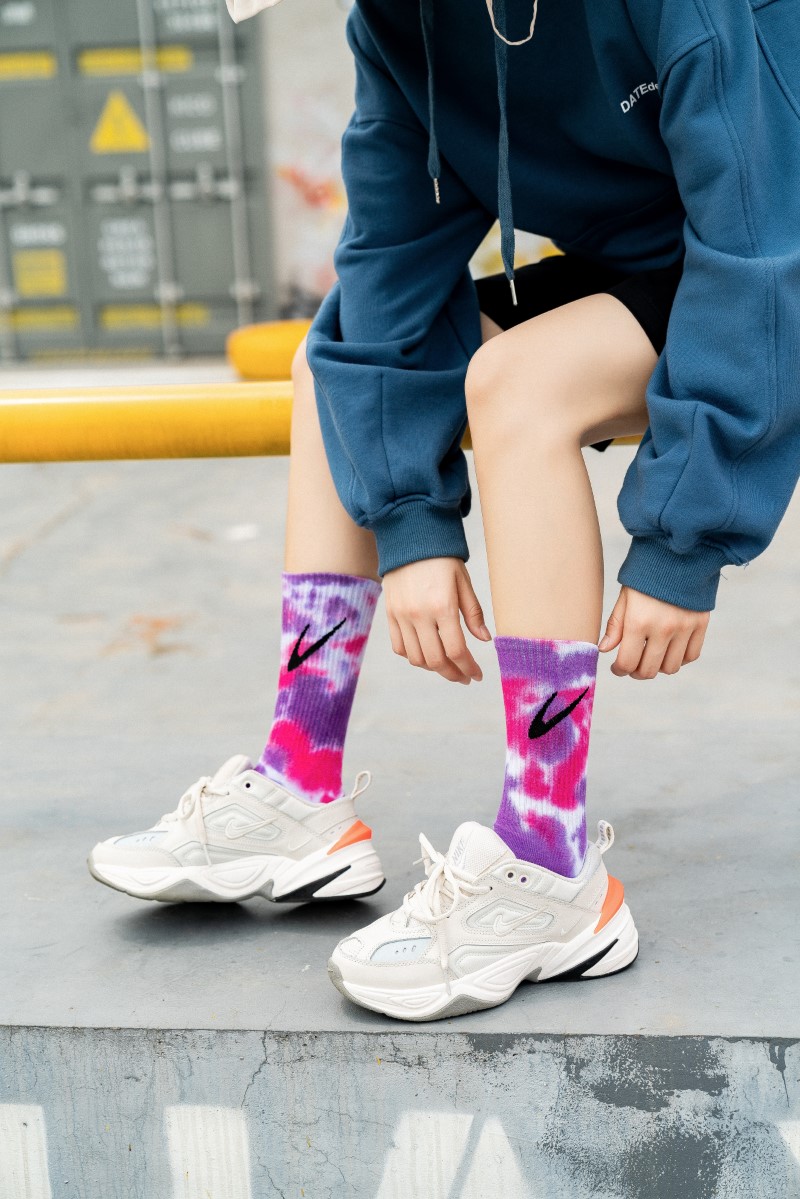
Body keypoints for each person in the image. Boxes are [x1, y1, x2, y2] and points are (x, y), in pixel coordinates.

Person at [89, 0, 800, 1021]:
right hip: (652, 263)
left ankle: (549, 860)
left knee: (519, 381)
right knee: (330, 359)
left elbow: (760, 245)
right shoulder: (398, 19)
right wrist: (410, 521)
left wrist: (686, 535)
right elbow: (390, 260)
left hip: (766, 259)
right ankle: (301, 778)